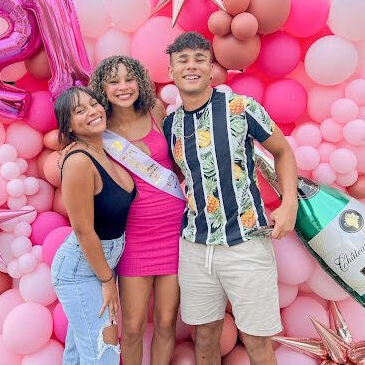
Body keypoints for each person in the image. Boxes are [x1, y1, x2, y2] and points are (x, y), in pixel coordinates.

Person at [163, 32, 298, 365]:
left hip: (245, 243)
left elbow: (282, 151)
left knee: (255, 340)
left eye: (199, 59)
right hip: (195, 247)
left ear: (211, 69)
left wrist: (289, 204)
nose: (191, 66)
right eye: (183, 60)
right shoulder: (170, 125)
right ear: (171, 71)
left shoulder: (241, 107)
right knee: (205, 337)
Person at [91, 56, 185, 365]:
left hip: (174, 234)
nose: (123, 87)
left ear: (140, 82)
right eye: (114, 81)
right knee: (130, 328)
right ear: (102, 88)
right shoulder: (98, 128)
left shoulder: (155, 110)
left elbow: (180, 163)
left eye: (129, 79)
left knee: (166, 322)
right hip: (134, 239)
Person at [51, 86, 136, 364]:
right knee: (104, 355)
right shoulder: (78, 162)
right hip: (82, 269)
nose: (92, 111)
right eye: (79, 111)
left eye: (93, 104)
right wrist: (107, 280)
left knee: (78, 356)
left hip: (102, 264)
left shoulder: (105, 153)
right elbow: (84, 230)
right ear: (69, 127)